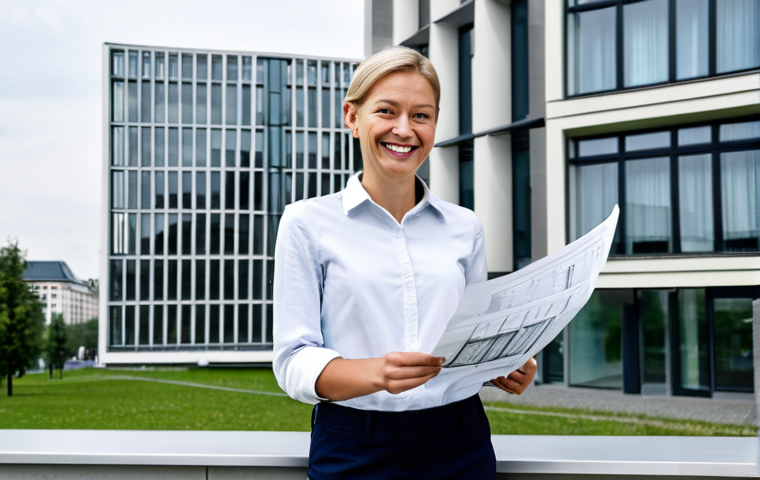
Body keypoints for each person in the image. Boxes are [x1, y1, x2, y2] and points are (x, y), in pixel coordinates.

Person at [273, 46, 537, 480]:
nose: (404, 129)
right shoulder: (307, 222)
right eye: (386, 111)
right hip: (355, 443)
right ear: (352, 118)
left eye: (421, 115)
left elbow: (467, 339)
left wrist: (501, 365)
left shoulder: (464, 226)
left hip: (461, 439)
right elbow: (293, 361)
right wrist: (375, 373)